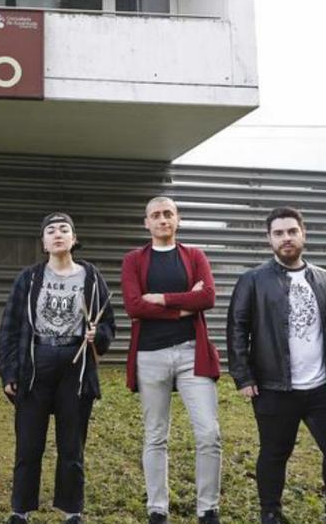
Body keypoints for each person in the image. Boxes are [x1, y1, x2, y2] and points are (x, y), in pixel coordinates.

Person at [225, 207, 326, 524]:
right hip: (274, 387)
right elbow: (237, 329)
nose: (286, 238)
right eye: (279, 233)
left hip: (323, 387)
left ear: (303, 234)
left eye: (292, 231)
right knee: (274, 452)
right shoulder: (252, 280)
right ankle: (270, 512)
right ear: (269, 239)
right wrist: (243, 375)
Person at [0, 212, 116, 524]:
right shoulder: (30, 278)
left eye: (65, 229)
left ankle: (72, 510)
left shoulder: (91, 277)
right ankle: (20, 510)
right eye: (51, 230)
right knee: (28, 445)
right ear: (44, 242)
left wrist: (97, 335)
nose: (58, 234)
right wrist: (9, 372)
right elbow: (9, 328)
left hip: (75, 370)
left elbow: (108, 324)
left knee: (72, 445)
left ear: (74, 239)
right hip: (35, 365)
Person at [121, 197, 221, 524]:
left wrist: (163, 300)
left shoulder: (194, 256)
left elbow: (207, 297)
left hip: (193, 353)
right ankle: (157, 509)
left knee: (208, 433)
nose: (162, 220)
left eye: (168, 214)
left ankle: (208, 508)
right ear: (146, 223)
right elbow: (134, 306)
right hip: (150, 356)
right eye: (156, 215)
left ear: (177, 220)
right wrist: (183, 307)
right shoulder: (134, 260)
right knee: (155, 434)